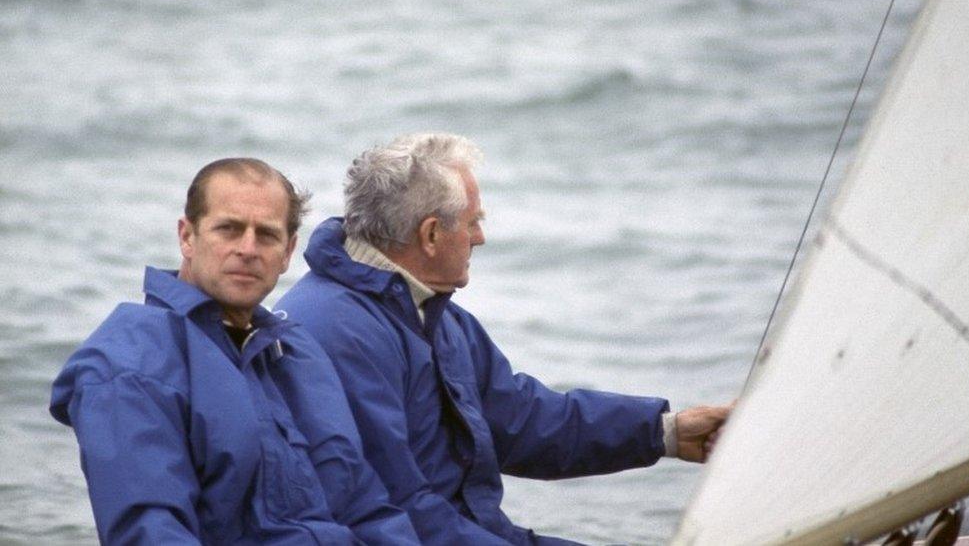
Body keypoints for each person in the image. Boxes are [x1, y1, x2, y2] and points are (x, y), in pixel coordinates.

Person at [274, 133, 733, 545]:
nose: (481, 237)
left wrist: (665, 433)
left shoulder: (435, 314)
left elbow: (521, 421)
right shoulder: (334, 331)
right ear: (430, 234)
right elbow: (394, 508)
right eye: (473, 221)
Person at [50, 158, 420, 544]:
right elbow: (150, 531)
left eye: (266, 235)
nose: (247, 248)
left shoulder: (298, 355)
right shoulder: (130, 364)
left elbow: (367, 506)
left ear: (288, 250)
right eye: (228, 229)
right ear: (187, 237)